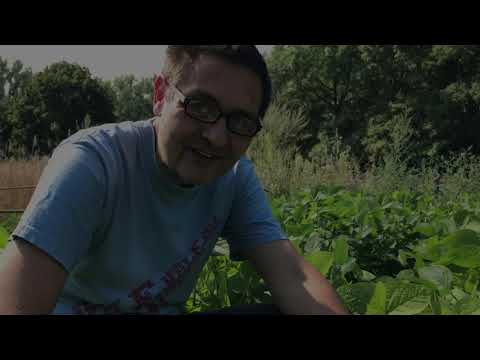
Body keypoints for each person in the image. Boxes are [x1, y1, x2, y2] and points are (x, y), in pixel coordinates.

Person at [0, 45, 349, 315]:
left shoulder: (234, 176)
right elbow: (14, 304)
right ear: (159, 94)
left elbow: (293, 276)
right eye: (200, 106)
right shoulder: (93, 164)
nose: (215, 136)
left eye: (240, 121)